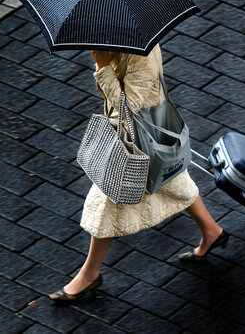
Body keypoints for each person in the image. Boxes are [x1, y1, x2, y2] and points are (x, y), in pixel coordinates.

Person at [49, 45, 228, 302]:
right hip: (146, 136)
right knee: (172, 181)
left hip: (137, 142)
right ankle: (212, 232)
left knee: (106, 203)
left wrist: (103, 70)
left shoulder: (139, 56)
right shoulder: (126, 43)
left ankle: (89, 274)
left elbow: (126, 108)